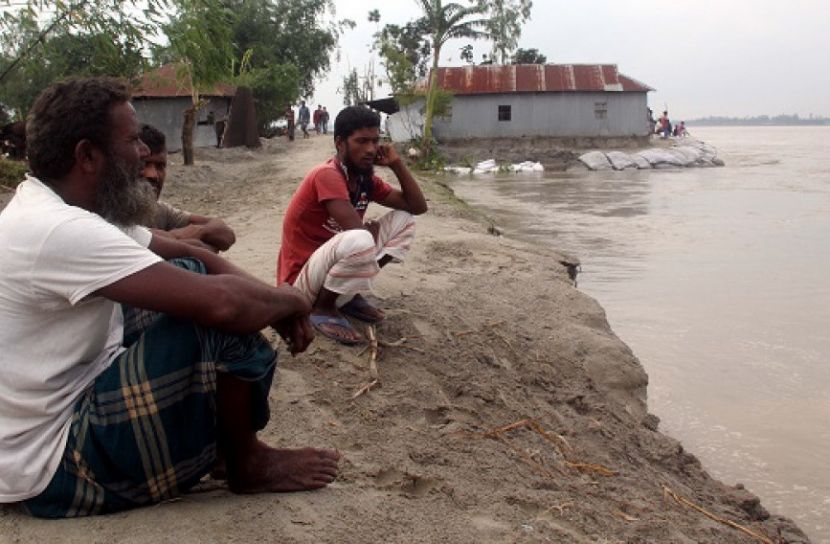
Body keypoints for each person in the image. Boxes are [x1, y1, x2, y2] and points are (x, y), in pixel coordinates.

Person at [0, 77, 339, 518]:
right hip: (54, 466)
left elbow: (194, 253)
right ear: (88, 156)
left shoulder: (64, 207)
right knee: (214, 314)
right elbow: (224, 305)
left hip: (56, 417)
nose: (143, 153)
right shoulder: (60, 230)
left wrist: (275, 297)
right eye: (132, 140)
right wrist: (291, 302)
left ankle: (222, 446)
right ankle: (246, 460)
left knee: (189, 276)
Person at [277, 106, 428, 345]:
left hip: (332, 269)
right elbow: (357, 232)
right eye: (361, 141)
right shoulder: (326, 174)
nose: (370, 149)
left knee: (404, 220)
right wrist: (366, 233)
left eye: (375, 141)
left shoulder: (365, 180)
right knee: (361, 239)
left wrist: (397, 164)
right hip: (301, 284)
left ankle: (346, 295)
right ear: (340, 143)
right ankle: (323, 309)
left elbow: (417, 207)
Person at [139, 123, 236, 252]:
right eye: (144, 164)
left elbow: (226, 234)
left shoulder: (160, 211)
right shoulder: (109, 220)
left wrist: (199, 232)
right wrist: (180, 239)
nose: (153, 175)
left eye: (160, 166)